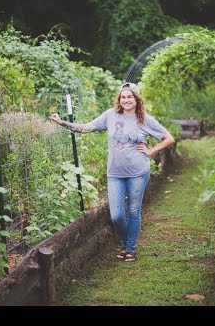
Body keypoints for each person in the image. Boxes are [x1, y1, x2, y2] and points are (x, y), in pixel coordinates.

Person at [50, 82, 175, 262]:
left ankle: (130, 250)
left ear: (136, 99)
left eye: (129, 96)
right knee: (116, 215)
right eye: (123, 97)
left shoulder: (145, 119)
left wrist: (150, 151)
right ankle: (128, 244)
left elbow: (168, 138)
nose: (126, 100)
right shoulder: (110, 115)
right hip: (115, 174)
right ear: (119, 99)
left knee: (133, 211)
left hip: (138, 172)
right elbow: (86, 128)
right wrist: (62, 122)